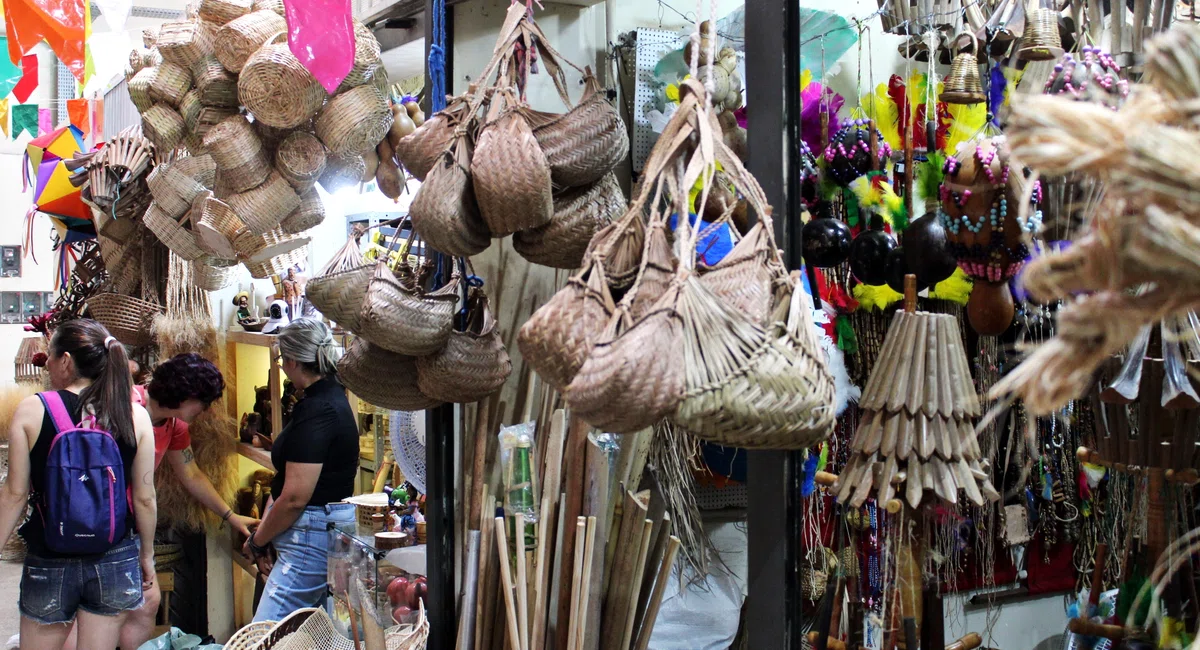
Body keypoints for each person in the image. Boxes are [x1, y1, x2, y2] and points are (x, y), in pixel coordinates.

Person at [0, 320, 157, 650]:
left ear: (66, 361)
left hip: (50, 555)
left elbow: (14, 494)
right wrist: (147, 556)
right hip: (113, 554)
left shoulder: (32, 410)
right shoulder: (135, 415)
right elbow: (144, 499)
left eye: (52, 357)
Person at [243, 318, 358, 622]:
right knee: (312, 635)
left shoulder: (318, 410)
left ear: (293, 360)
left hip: (310, 539)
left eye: (281, 359)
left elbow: (294, 497)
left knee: (266, 635)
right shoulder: (329, 399)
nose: (281, 367)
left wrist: (257, 541)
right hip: (314, 534)